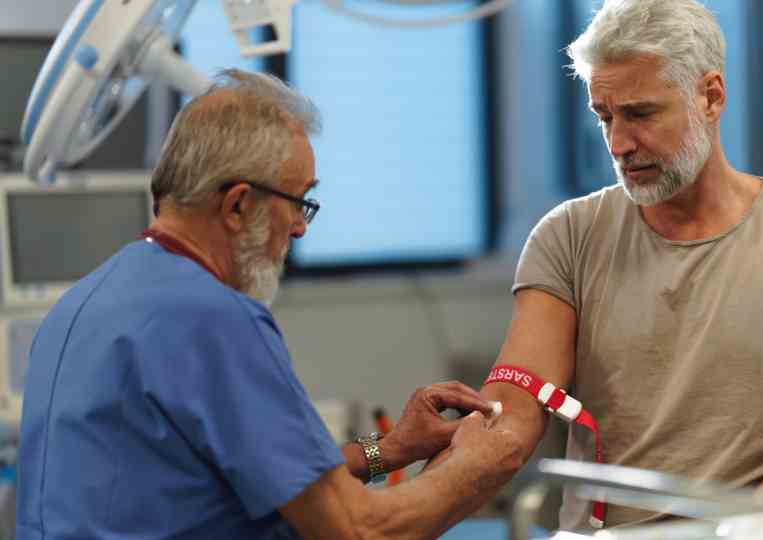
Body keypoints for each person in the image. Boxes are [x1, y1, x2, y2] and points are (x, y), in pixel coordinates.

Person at [15, 69, 521, 540]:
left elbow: (269, 479)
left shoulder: (82, 304)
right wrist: (475, 468)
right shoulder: (213, 320)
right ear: (237, 204)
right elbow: (358, 528)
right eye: (299, 201)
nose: (301, 227)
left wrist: (387, 451)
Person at [472, 0, 763, 530]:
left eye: (640, 113)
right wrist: (406, 493)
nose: (619, 144)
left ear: (710, 96)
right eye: (605, 117)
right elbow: (513, 405)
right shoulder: (568, 236)